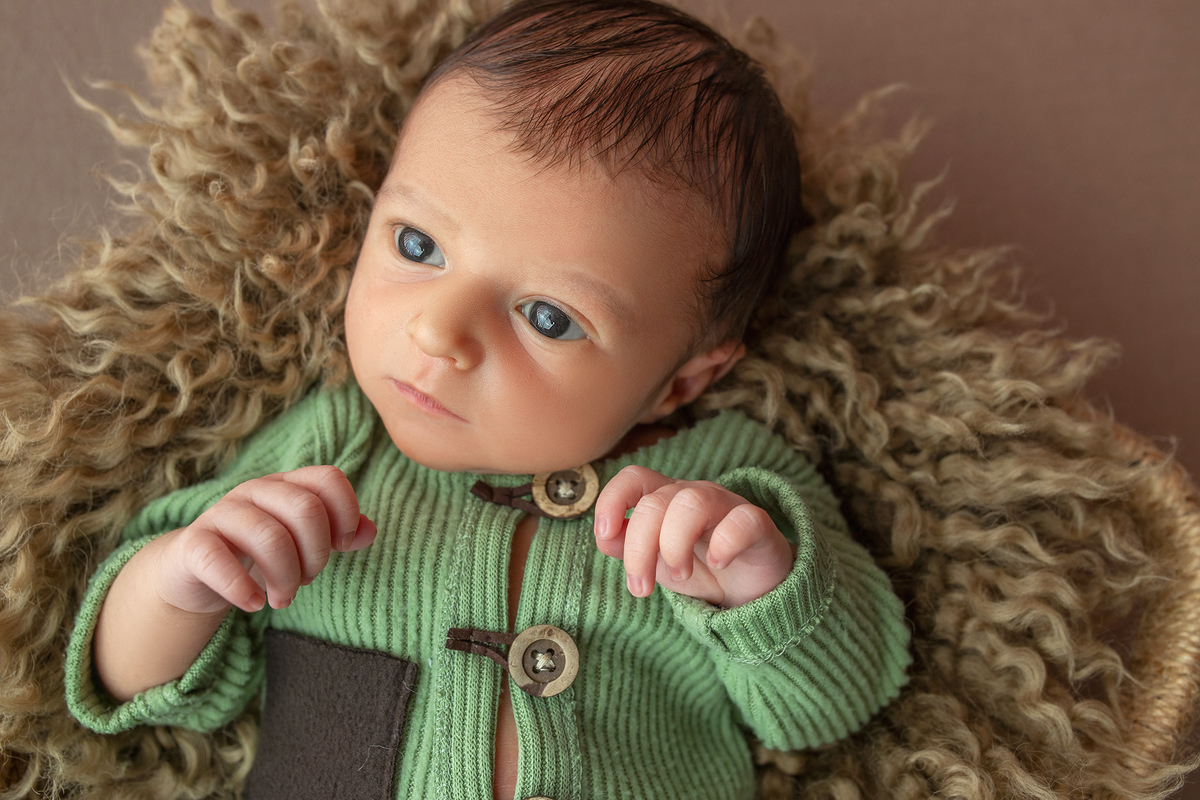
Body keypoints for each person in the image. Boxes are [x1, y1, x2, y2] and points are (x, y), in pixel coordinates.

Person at [64, 1, 911, 798]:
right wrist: (180, 583)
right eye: (417, 243)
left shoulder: (724, 496)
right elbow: (138, 685)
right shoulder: (327, 454)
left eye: (547, 316)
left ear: (680, 383)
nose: (439, 331)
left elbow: (831, 709)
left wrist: (760, 586)